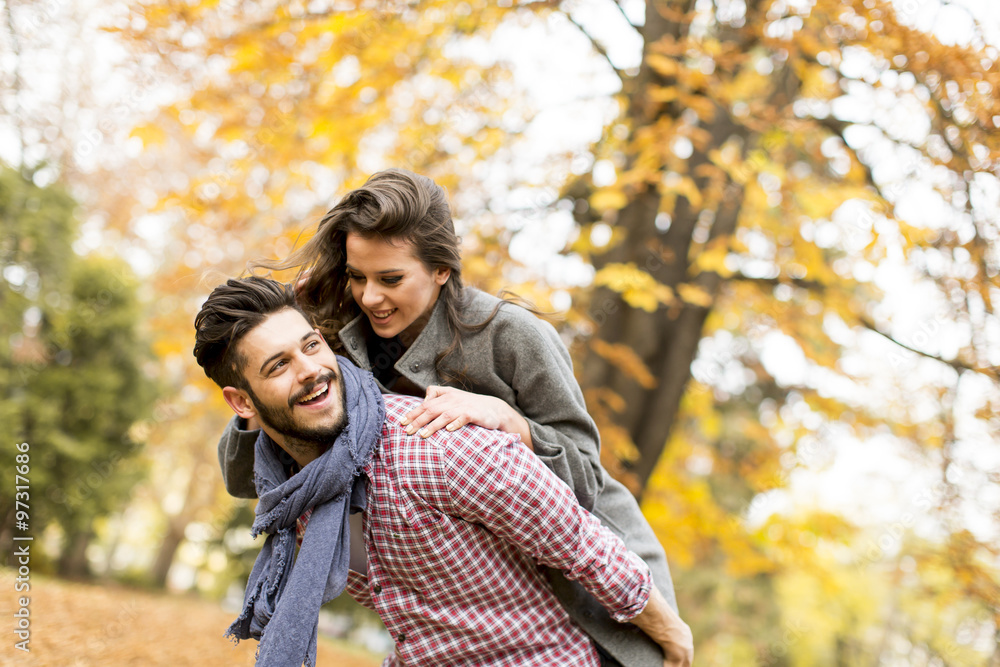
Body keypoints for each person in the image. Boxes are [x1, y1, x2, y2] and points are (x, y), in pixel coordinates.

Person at [217, 168, 681, 665]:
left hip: (589, 595)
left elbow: (587, 480)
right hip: (465, 611)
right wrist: (261, 383)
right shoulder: (341, 340)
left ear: (441, 268)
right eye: (357, 277)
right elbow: (251, 478)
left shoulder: (513, 336)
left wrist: (512, 421)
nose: (370, 296)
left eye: (390, 278)